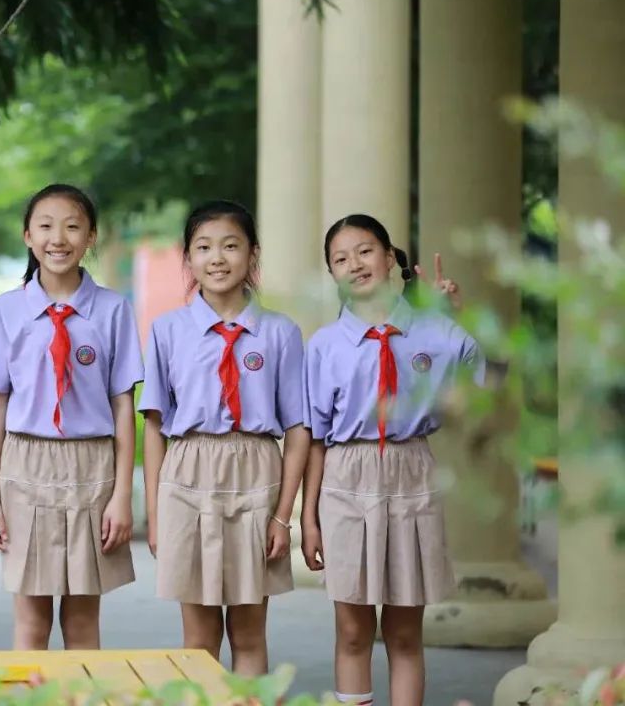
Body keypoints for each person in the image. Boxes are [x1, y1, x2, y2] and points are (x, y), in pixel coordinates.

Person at [301, 213, 477, 706]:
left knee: (403, 634)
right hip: (346, 474)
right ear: (333, 275)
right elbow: (315, 437)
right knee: (354, 632)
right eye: (340, 258)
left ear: (390, 257)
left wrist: (458, 318)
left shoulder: (436, 330)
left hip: (411, 470)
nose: (354, 264)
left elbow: (492, 387)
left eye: (364, 250)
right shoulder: (324, 346)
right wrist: (308, 518)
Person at [0, 184, 142, 649]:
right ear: (27, 236)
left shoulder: (113, 310)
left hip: (91, 466)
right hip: (26, 466)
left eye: (72, 226)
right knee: (31, 622)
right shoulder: (6, 312)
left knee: (83, 622)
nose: (57, 238)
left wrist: (123, 495)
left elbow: (123, 405)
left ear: (91, 237)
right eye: (45, 226)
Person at [140, 200, 307, 676]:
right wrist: (155, 514)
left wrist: (283, 517)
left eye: (231, 246)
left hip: (256, 471)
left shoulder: (280, 333)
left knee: (250, 634)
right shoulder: (168, 331)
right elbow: (154, 425)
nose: (217, 258)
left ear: (252, 255)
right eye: (204, 247)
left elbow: (297, 428)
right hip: (188, 472)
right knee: (197, 640)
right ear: (188, 258)